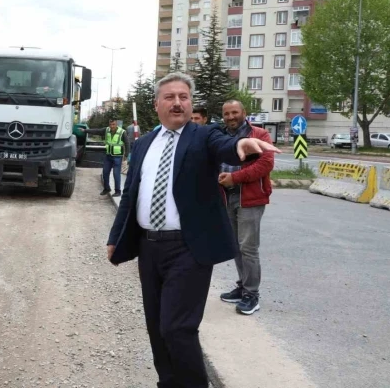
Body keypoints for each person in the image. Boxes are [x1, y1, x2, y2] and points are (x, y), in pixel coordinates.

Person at [106, 72, 280, 388]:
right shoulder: (144, 143)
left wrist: (242, 143)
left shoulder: (203, 135)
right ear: (157, 104)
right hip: (149, 248)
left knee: (177, 328)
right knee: (157, 326)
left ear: (190, 103)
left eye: (183, 97)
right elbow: (131, 193)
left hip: (188, 248)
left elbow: (226, 145)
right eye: (170, 97)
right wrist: (115, 237)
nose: (177, 103)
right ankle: (168, 383)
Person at [218, 100, 274, 315]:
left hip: (249, 197)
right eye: (226, 113)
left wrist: (235, 177)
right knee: (235, 246)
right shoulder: (221, 135)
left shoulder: (259, 135)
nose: (231, 117)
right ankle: (243, 286)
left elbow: (266, 164)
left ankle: (252, 294)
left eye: (234, 112)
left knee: (248, 247)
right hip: (225, 196)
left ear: (244, 113)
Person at [83, 119, 129, 198]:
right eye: (110, 125)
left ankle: (118, 191)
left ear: (116, 124)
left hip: (117, 156)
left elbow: (127, 143)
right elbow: (96, 131)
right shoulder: (106, 130)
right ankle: (107, 188)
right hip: (108, 156)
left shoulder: (122, 132)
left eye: (113, 124)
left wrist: (127, 155)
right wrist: (85, 130)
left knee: (116, 174)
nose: (112, 126)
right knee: (105, 172)